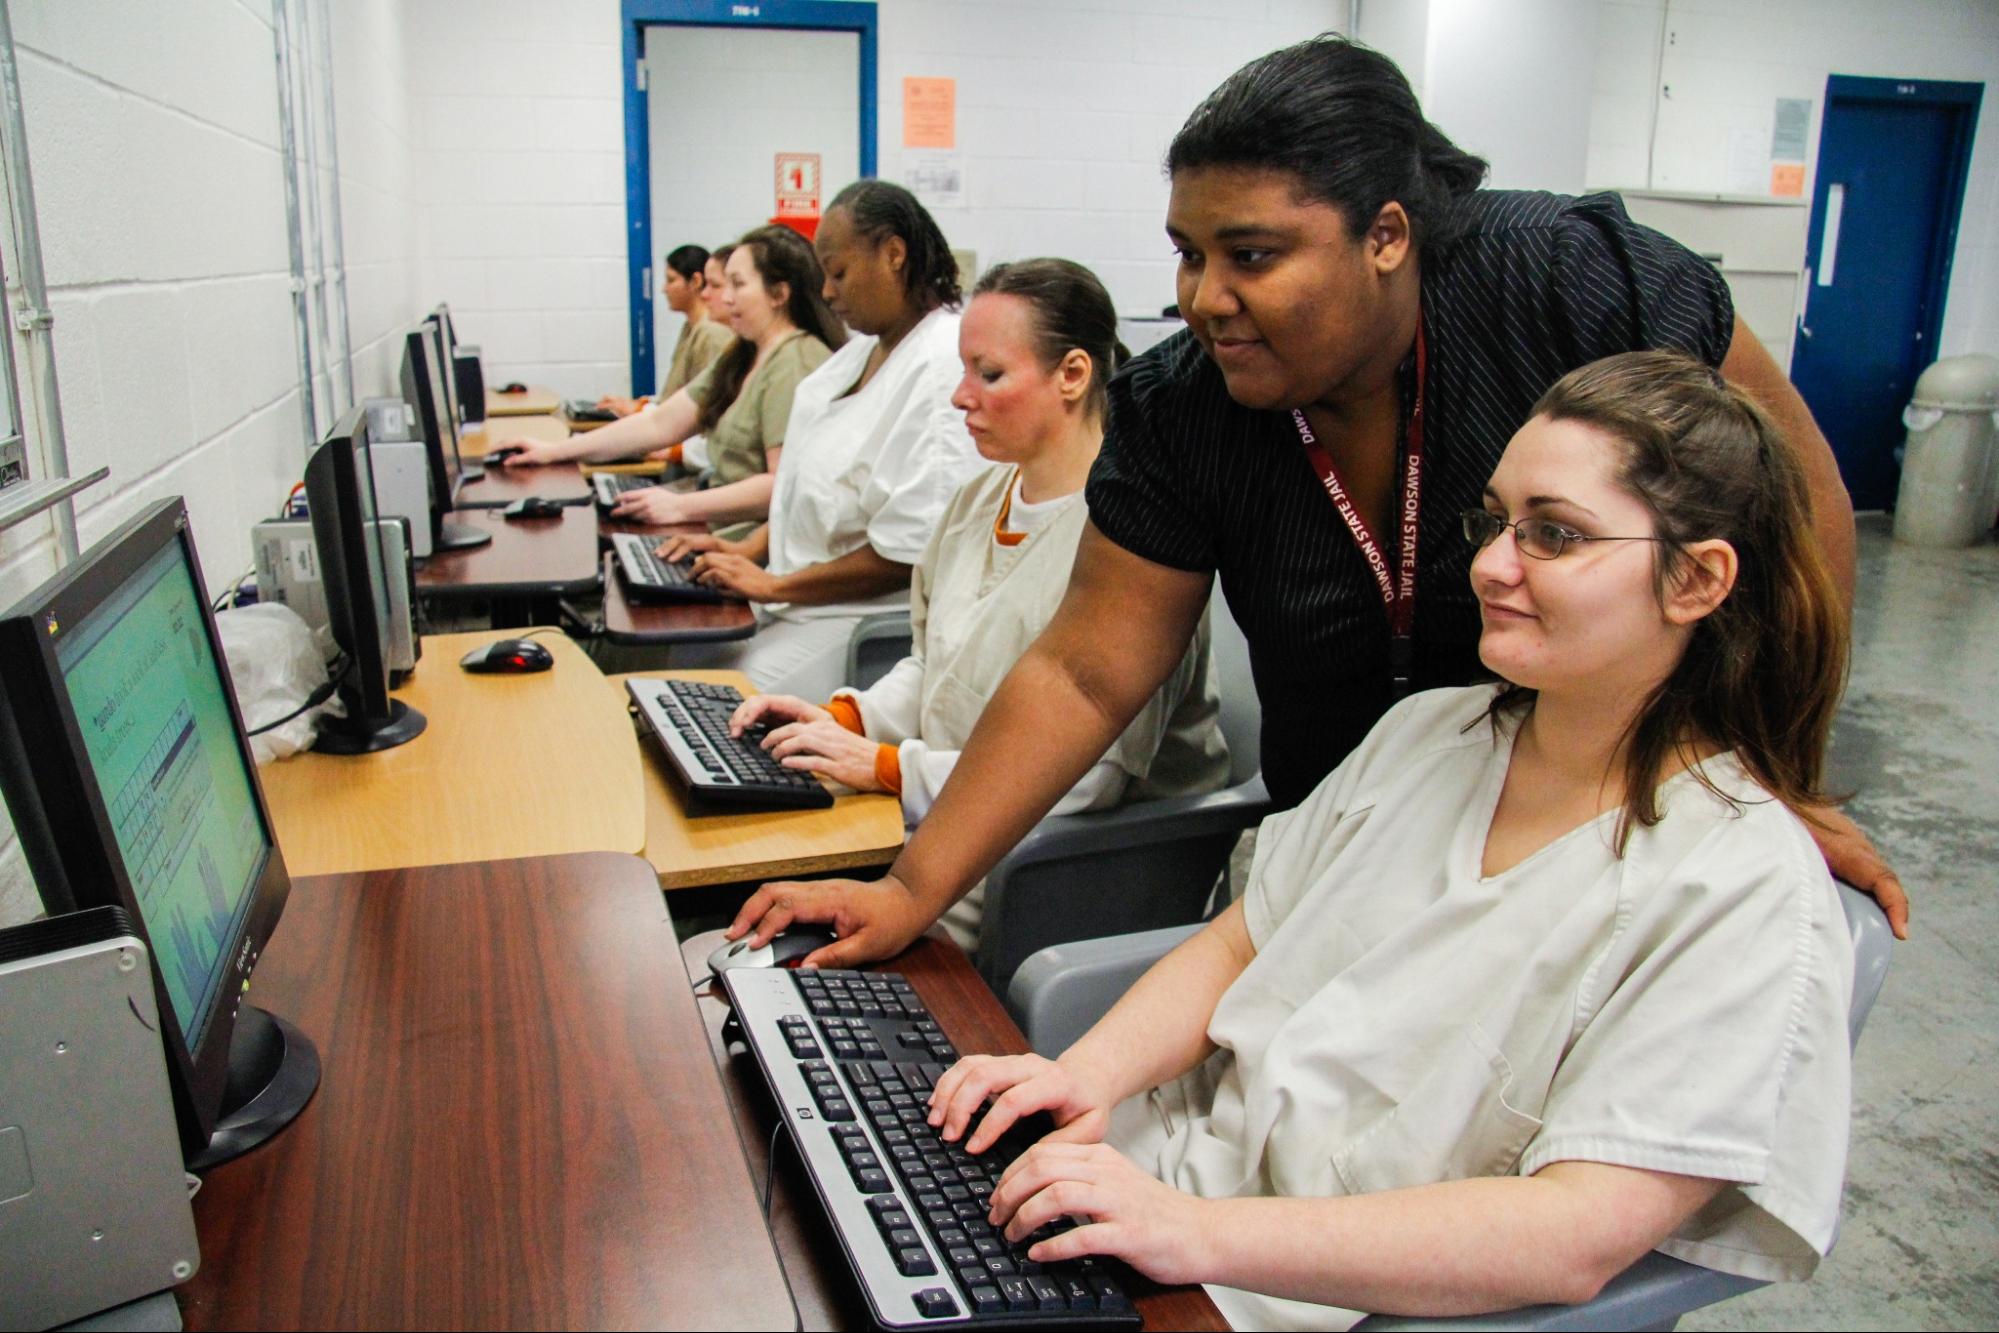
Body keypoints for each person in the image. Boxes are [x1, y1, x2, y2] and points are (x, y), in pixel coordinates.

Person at [723, 33, 1907, 968]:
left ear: (1385, 236)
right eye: (1187, 253)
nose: (1203, 297)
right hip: (1339, 832)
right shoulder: (1192, 409)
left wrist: (1773, 770)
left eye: (1250, 255)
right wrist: (913, 888)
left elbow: (1795, 500)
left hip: (1594, 831)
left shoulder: (1564, 285)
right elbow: (1086, 667)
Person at [925, 351, 1856, 1329]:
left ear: (1697, 579)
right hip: (1151, 1194)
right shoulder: (1434, 736)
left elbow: (1577, 1230)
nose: (1491, 564)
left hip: (1303, 1290)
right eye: (1493, 521)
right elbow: (1245, 940)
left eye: (1554, 535)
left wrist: (1192, 1231)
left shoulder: (1737, 889)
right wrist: (1083, 1076)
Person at [724, 258, 1231, 946]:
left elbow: (1086, 782)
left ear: (1073, 375)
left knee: (783, 941)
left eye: (988, 375)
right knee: (746, 864)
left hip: (1053, 863)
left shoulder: (1138, 542)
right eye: (963, 372)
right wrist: (843, 718)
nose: (960, 397)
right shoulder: (978, 499)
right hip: (943, 821)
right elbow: (935, 666)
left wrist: (884, 768)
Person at [652, 181, 985, 699]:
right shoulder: (861, 356)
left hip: (858, 622)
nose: (828, 292)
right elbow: (805, 493)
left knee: (712, 700)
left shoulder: (940, 365)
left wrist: (773, 585)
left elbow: (907, 552)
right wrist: (744, 548)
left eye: (839, 273)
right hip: (800, 600)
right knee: (682, 661)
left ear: (894, 254)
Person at [494, 225, 842, 540]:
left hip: (748, 552)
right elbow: (660, 423)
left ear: (779, 293)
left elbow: (781, 484)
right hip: (721, 532)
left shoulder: (795, 360)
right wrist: (551, 451)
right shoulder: (745, 353)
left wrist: (681, 506)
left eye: (738, 285)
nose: (725, 298)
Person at [597, 243, 734, 417]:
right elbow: (677, 395)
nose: (664, 289)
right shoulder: (691, 327)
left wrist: (641, 411)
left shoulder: (712, 332)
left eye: (671, 280)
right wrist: (640, 405)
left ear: (695, 281)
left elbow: (702, 408)